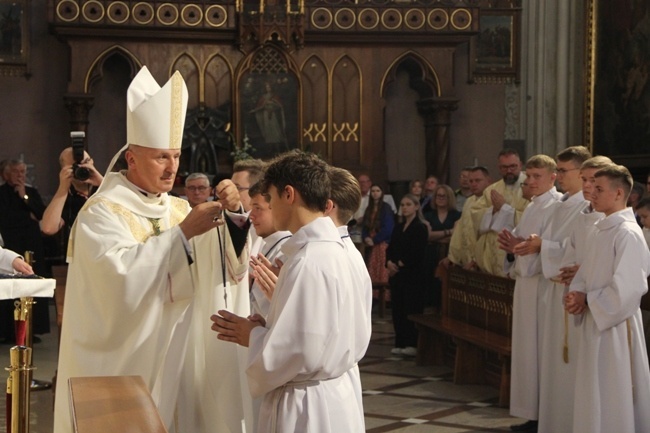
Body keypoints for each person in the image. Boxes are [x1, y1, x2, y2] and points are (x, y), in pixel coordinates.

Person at [54, 66, 252, 433]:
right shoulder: (102, 212)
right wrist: (181, 237)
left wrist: (236, 216)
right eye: (161, 156)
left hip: (180, 359)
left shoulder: (178, 208)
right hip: (126, 362)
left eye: (176, 156)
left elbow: (224, 269)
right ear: (131, 159)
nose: (172, 168)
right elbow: (117, 283)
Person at [211, 151, 370, 433]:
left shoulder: (309, 260)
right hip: (334, 394)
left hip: (307, 407)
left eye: (269, 198)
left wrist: (253, 336)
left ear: (288, 194)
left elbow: (298, 352)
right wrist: (271, 327)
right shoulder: (338, 250)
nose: (268, 207)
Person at [511, 146, 591, 433]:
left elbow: (576, 250)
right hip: (551, 287)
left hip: (568, 291)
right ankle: (548, 419)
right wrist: (533, 246)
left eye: (564, 171)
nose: (559, 178)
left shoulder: (586, 206)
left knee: (563, 360)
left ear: (582, 173)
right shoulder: (564, 204)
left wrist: (542, 246)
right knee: (550, 361)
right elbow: (560, 245)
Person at [565, 165, 650, 433]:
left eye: (599, 188)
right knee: (594, 391)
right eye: (591, 186)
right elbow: (586, 272)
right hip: (596, 321)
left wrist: (589, 300)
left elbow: (629, 288)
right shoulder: (601, 229)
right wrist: (577, 294)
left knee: (614, 393)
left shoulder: (627, 232)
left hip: (615, 326)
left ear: (618, 193)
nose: (591, 192)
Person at [497, 154, 561, 432]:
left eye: (537, 176)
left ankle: (541, 417)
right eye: (529, 176)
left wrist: (522, 249)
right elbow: (522, 244)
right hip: (525, 286)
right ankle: (531, 414)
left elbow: (546, 248)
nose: (531, 181)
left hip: (541, 290)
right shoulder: (532, 206)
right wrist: (513, 250)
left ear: (553, 177)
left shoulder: (556, 206)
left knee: (538, 352)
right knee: (526, 352)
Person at [0, 159, 50, 343]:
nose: (20, 175)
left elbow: (41, 215)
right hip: (9, 247)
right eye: (16, 172)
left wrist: (24, 198)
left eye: (22, 172)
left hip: (31, 245)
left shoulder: (31, 192)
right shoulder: (1, 194)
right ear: (5, 174)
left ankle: (32, 329)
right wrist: (26, 217)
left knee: (31, 284)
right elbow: (7, 219)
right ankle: (7, 331)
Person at [472, 148, 529, 276]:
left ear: (520, 165)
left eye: (513, 166)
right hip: (492, 253)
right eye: (504, 167)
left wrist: (505, 209)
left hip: (517, 254)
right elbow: (475, 215)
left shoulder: (530, 187)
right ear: (499, 168)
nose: (509, 170)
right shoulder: (491, 190)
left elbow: (532, 219)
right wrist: (493, 210)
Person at [386, 194, 429, 357]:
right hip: (397, 275)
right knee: (398, 309)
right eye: (402, 204)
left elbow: (418, 251)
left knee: (411, 308)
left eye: (408, 204)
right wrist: (389, 262)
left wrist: (400, 263)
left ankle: (412, 343)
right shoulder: (398, 227)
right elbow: (390, 248)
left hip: (412, 275)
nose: (405, 207)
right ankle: (400, 341)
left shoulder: (420, 227)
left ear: (416, 207)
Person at [247, 181, 291, 318]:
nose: (251, 215)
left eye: (258, 208)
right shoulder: (267, 243)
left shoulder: (286, 250)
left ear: (275, 207)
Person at [444, 166, 491, 269]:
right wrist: (452, 257)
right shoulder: (469, 201)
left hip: (483, 262)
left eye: (477, 180)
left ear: (488, 181)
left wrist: (476, 260)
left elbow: (487, 236)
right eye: (471, 181)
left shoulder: (492, 201)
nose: (473, 184)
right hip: (466, 259)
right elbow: (460, 230)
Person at [423, 184, 461, 308]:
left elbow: (457, 236)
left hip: (448, 253)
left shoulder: (457, 215)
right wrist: (448, 231)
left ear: (449, 198)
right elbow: (427, 236)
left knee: (446, 287)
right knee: (431, 284)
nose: (440, 198)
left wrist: (437, 235)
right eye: (438, 195)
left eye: (444, 196)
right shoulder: (428, 215)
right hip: (431, 253)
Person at [362, 184, 395, 286]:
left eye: (378, 191)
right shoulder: (369, 208)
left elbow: (388, 227)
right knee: (371, 267)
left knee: (381, 269)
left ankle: (383, 296)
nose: (375, 193)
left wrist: (375, 239)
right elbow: (365, 226)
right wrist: (366, 237)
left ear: (382, 193)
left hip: (381, 242)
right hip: (370, 242)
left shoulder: (386, 208)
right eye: (373, 191)